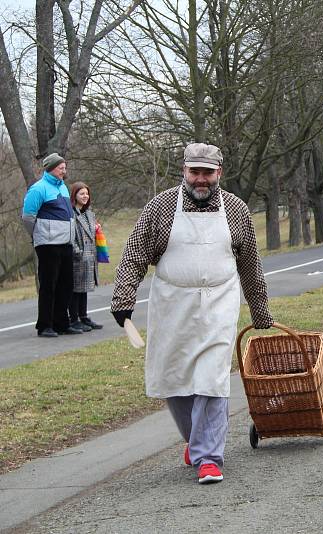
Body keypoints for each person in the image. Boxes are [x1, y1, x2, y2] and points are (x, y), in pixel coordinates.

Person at [111, 143, 273, 484]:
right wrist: (123, 300)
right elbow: (134, 254)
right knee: (176, 380)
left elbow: (251, 266)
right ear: (184, 171)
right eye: (194, 172)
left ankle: (210, 458)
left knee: (212, 379)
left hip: (219, 302)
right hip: (172, 303)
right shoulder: (162, 207)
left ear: (219, 174)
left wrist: (260, 311)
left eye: (208, 173)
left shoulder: (236, 209)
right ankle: (196, 441)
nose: (201, 180)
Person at [21, 153, 82, 337]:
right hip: (48, 244)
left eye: (65, 166)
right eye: (60, 167)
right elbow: (27, 216)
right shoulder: (38, 189)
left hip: (65, 243)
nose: (64, 169)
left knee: (66, 284)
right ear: (50, 168)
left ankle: (61, 323)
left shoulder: (63, 187)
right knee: (49, 285)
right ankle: (45, 325)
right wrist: (38, 234)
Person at [68, 182, 103, 332]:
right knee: (76, 290)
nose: (85, 196)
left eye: (86, 193)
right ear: (74, 195)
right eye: (81, 193)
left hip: (90, 257)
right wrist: (78, 253)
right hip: (78, 258)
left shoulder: (89, 213)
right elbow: (70, 237)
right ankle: (74, 319)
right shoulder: (71, 213)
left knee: (84, 289)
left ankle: (84, 317)